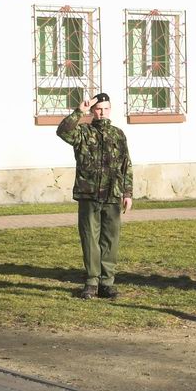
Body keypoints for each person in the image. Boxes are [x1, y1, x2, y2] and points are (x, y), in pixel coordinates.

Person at [56, 91, 133, 299]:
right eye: (98, 109)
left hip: (112, 194)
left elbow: (126, 164)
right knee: (90, 239)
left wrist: (127, 193)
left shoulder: (118, 134)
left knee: (110, 240)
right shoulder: (82, 132)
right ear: (92, 110)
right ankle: (92, 281)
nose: (102, 113)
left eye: (106, 109)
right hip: (88, 194)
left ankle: (107, 283)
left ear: (110, 110)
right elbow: (62, 131)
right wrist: (78, 111)